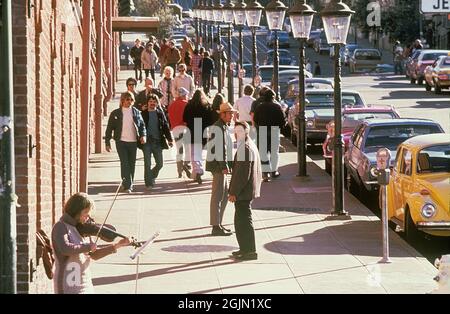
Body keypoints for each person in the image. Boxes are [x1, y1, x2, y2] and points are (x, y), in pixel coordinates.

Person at [52, 192, 131, 294]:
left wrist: (117, 245)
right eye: (85, 212)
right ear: (76, 211)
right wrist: (87, 247)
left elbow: (94, 254)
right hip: (68, 284)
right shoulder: (61, 227)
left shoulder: (83, 229)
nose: (88, 216)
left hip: (85, 282)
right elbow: (65, 248)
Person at [228, 121, 262, 261]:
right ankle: (245, 248)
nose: (237, 134)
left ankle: (249, 251)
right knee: (241, 220)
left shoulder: (245, 148)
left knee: (243, 221)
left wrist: (233, 192)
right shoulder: (248, 145)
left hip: (244, 191)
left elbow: (242, 174)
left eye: (240, 131)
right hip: (246, 190)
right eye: (236, 131)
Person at [105, 92, 146, 193]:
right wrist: (107, 142)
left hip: (133, 142)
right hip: (121, 141)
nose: (129, 102)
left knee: (131, 163)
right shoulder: (116, 113)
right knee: (124, 162)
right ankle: (128, 185)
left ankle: (128, 183)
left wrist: (143, 135)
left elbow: (142, 126)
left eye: (131, 100)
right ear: (122, 100)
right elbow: (109, 128)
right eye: (127, 99)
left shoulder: (136, 112)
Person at [206, 102, 235, 236]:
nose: (232, 115)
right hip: (218, 167)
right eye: (230, 113)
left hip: (221, 166)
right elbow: (219, 149)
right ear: (222, 114)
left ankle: (219, 223)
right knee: (218, 196)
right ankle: (215, 226)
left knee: (223, 196)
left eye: (232, 113)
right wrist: (224, 166)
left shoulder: (223, 126)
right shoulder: (218, 127)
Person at [253, 88, 286, 182]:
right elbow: (283, 120)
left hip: (262, 130)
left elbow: (255, 119)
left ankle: (265, 173)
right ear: (273, 97)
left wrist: (259, 126)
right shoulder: (277, 106)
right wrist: (280, 127)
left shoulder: (260, 106)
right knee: (274, 153)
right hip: (274, 130)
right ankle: (274, 171)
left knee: (263, 152)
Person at [141, 94, 173, 189]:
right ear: (147, 103)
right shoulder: (143, 113)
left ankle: (151, 176)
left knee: (160, 163)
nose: (152, 103)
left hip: (158, 141)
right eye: (150, 101)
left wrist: (169, 139)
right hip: (147, 142)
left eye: (154, 102)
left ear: (157, 103)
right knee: (147, 163)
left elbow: (165, 126)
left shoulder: (160, 113)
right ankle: (148, 183)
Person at [183, 89, 213, 184]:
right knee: (198, 152)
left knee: (193, 153)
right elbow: (210, 120)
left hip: (191, 130)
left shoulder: (189, 105)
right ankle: (196, 172)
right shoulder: (206, 106)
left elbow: (184, 118)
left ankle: (198, 171)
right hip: (202, 131)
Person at [168, 87, 191, 178]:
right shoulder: (186, 104)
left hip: (175, 129)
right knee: (188, 149)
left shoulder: (171, 105)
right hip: (184, 128)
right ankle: (186, 164)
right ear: (184, 95)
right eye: (186, 95)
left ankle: (179, 170)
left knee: (179, 150)